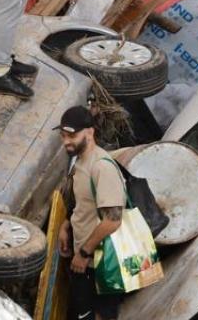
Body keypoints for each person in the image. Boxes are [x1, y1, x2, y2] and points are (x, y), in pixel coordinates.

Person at [59, 106, 126, 320]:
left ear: (90, 132)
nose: (66, 141)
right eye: (63, 136)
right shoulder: (79, 161)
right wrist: (66, 225)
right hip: (84, 262)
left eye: (72, 135)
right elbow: (84, 204)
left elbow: (113, 221)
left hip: (100, 265)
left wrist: (84, 253)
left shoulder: (101, 167)